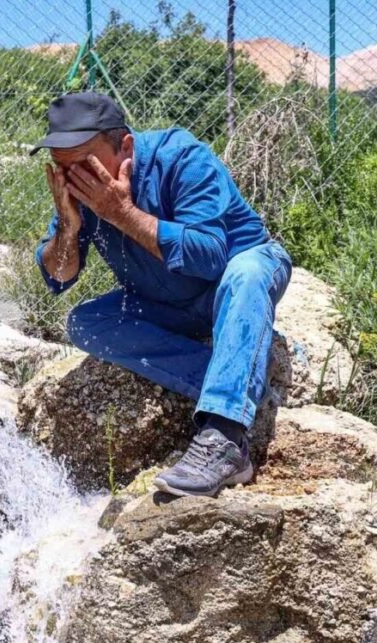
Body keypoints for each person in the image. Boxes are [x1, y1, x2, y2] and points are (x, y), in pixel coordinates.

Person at [32, 92, 292, 498]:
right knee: (87, 323)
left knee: (248, 270)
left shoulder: (182, 156)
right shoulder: (83, 188)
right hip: (166, 305)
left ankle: (225, 438)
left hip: (229, 283)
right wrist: (67, 224)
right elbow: (59, 276)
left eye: (86, 162)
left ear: (126, 147)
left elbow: (209, 256)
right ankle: (234, 383)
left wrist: (122, 213)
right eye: (64, 170)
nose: (76, 178)